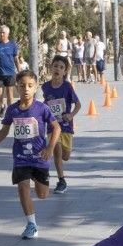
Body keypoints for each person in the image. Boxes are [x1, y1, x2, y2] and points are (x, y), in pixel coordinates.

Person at [0, 69, 59, 240]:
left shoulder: (42, 108)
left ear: (35, 87)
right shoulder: (12, 110)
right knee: (22, 186)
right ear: (17, 87)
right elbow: (4, 130)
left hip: (40, 157)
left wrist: (50, 148)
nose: (26, 89)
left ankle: (36, 180)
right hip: (21, 158)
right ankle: (31, 224)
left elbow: (56, 127)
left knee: (42, 194)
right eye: (22, 85)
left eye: (30, 86)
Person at [40, 55, 80, 195]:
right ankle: (61, 181)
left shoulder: (67, 87)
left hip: (67, 126)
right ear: (51, 68)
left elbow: (78, 104)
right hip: (53, 126)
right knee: (56, 152)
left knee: (65, 156)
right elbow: (46, 104)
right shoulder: (45, 87)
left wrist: (71, 115)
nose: (58, 69)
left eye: (61, 67)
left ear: (65, 71)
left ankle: (62, 165)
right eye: (55, 66)